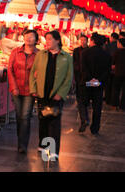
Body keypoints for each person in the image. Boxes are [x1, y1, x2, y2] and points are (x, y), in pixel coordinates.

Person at [29, 30, 73, 161]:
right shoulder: (41, 55)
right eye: (46, 39)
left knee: (54, 121)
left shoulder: (66, 57)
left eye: (49, 39)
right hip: (42, 93)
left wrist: (61, 93)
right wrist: (33, 89)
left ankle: (53, 151)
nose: (46, 42)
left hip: (56, 95)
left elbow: (68, 78)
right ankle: (42, 145)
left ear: (57, 41)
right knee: (43, 119)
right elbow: (33, 73)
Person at [7, 29, 39, 153]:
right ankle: (21, 139)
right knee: (19, 116)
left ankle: (22, 145)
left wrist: (35, 88)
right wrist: (13, 87)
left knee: (25, 116)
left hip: (30, 91)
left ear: (36, 40)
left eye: (31, 36)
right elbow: (10, 69)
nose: (28, 38)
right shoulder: (16, 52)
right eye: (26, 36)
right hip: (17, 88)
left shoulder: (39, 54)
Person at [81, 34, 111, 135]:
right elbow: (107, 71)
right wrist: (98, 80)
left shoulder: (85, 52)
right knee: (97, 107)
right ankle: (95, 128)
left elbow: (83, 68)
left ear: (92, 41)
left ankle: (85, 119)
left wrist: (90, 79)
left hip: (87, 82)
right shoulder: (107, 55)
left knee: (83, 102)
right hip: (99, 83)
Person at [73, 35, 90, 132]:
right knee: (81, 98)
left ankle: (84, 119)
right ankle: (84, 119)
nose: (83, 42)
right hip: (79, 77)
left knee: (82, 100)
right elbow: (74, 62)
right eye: (81, 40)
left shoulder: (89, 51)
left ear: (87, 41)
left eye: (85, 40)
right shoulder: (76, 50)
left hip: (87, 79)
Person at [112, 38, 125, 111]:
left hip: (118, 73)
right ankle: (123, 106)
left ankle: (115, 104)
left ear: (120, 44)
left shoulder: (117, 52)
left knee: (116, 89)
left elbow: (113, 63)